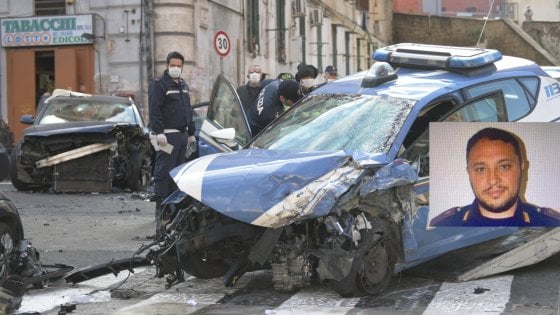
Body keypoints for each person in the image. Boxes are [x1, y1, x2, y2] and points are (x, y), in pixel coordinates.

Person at [430, 127, 560, 227]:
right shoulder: (442, 226)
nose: (493, 179)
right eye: (481, 169)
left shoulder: (552, 224)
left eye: (504, 166)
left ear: (521, 167)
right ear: (469, 173)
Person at [148, 51, 196, 221]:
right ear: (167, 65)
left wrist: (191, 132)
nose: (176, 68)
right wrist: (159, 132)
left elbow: (187, 109)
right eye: (173, 65)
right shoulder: (159, 84)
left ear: (182, 67)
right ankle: (161, 210)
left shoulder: (182, 85)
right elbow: (155, 110)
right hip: (167, 137)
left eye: (179, 66)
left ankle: (174, 210)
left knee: (178, 173)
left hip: (182, 136)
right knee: (164, 171)